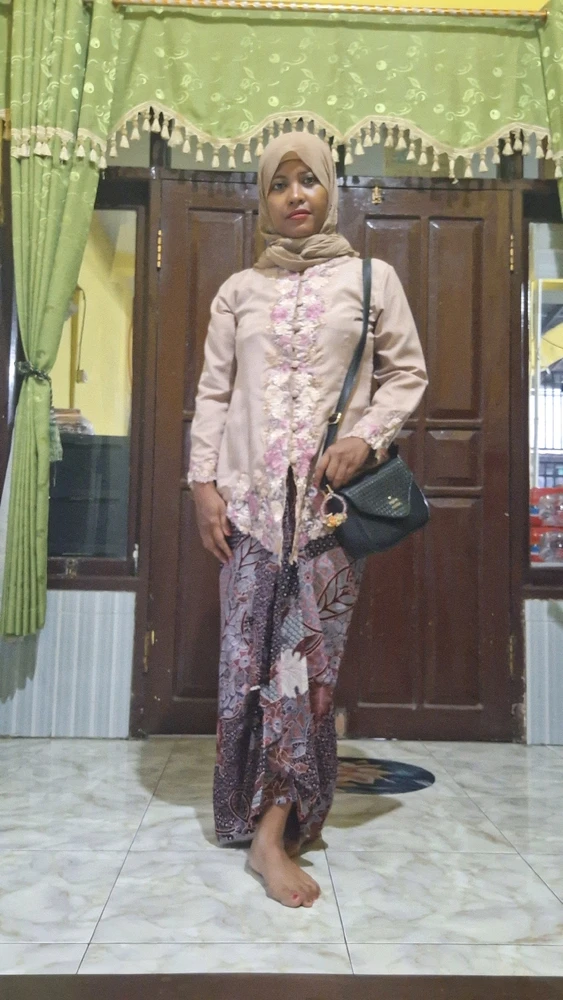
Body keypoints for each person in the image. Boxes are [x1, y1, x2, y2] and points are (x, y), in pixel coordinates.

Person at [188, 131, 427, 909]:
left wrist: (366, 436)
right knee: (244, 669)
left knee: (305, 668)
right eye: (279, 183)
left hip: (327, 516)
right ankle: (253, 812)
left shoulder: (371, 279)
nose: (295, 195)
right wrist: (202, 486)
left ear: (330, 190)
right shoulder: (238, 292)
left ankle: (274, 830)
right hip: (248, 509)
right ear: (263, 198)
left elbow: (407, 373)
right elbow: (214, 393)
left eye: (309, 181)